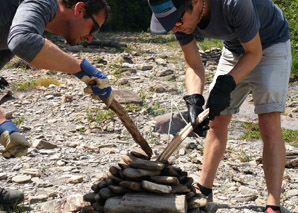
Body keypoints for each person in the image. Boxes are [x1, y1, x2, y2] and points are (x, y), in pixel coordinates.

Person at [147, 0, 291, 212]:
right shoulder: (179, 17)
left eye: (177, 22)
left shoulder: (234, 3)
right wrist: (194, 98)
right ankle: (204, 189)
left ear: (196, 2)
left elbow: (254, 53)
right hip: (234, 49)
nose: (175, 27)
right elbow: (194, 65)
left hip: (270, 44)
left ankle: (273, 204)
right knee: (216, 119)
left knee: (268, 123)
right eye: (170, 25)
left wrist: (227, 84)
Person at [0, 0, 113, 208]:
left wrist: (2, 125)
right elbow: (23, 41)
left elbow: (19, 42)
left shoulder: (18, 26)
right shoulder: (44, 2)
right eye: (94, 27)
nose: (90, 38)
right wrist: (81, 68)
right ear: (79, 9)